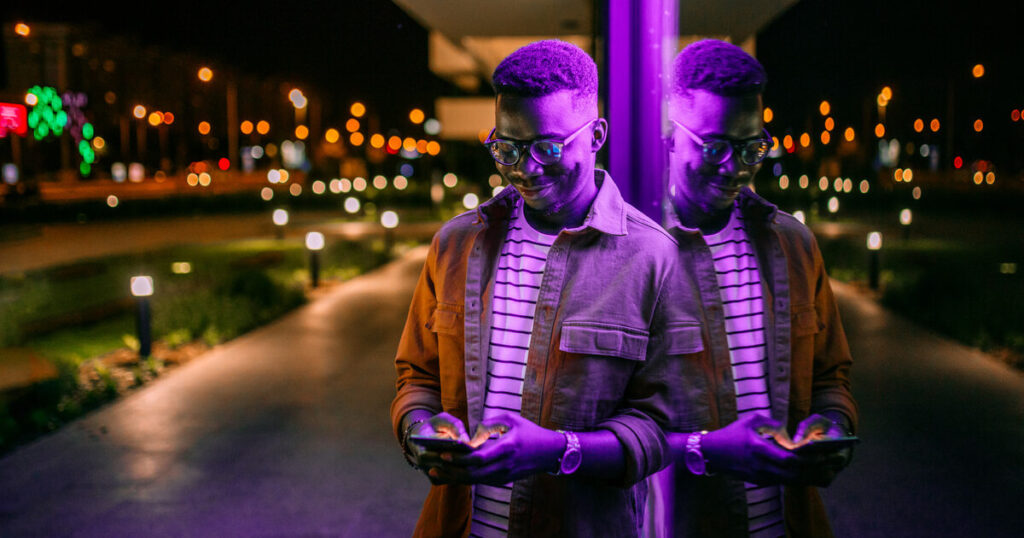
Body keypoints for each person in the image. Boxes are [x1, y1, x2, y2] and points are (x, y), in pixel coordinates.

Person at [391, 39, 706, 537]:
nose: (525, 168)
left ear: (597, 134)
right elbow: (417, 374)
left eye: (548, 147)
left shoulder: (655, 258)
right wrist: (419, 430)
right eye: (507, 147)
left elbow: (667, 427)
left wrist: (560, 451)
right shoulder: (455, 244)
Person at [654, 39, 859, 537]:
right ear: (669, 137)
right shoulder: (627, 252)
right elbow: (584, 426)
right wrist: (704, 450)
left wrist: (831, 425)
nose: (737, 168)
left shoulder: (792, 244)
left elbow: (830, 376)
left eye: (752, 147)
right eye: (715, 147)